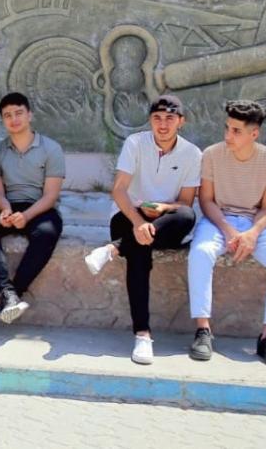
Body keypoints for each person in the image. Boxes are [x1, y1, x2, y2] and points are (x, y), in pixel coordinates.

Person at [84, 95, 201, 364]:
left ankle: (113, 249)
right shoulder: (135, 143)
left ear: (181, 122)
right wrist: (139, 222)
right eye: (157, 118)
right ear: (150, 121)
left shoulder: (193, 153)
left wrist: (162, 208)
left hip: (166, 221)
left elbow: (185, 202)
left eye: (170, 118)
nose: (163, 124)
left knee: (186, 216)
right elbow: (119, 190)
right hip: (128, 217)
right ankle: (143, 335)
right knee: (140, 250)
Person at [187, 100, 266, 367]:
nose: (228, 135)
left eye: (236, 131)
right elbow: (206, 201)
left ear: (254, 133)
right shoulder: (212, 154)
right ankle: (203, 330)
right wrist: (228, 230)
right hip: (218, 220)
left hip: (257, 223)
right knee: (200, 252)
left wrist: (252, 234)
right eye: (227, 128)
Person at [0, 92, 65, 324]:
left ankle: (15, 292)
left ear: (29, 115)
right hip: (9, 205)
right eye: (7, 115)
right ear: (2, 120)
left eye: (18, 113)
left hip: (40, 208)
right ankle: (7, 293)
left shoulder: (51, 148)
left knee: (47, 232)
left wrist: (26, 215)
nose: (13, 119)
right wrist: (5, 209)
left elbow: (51, 195)